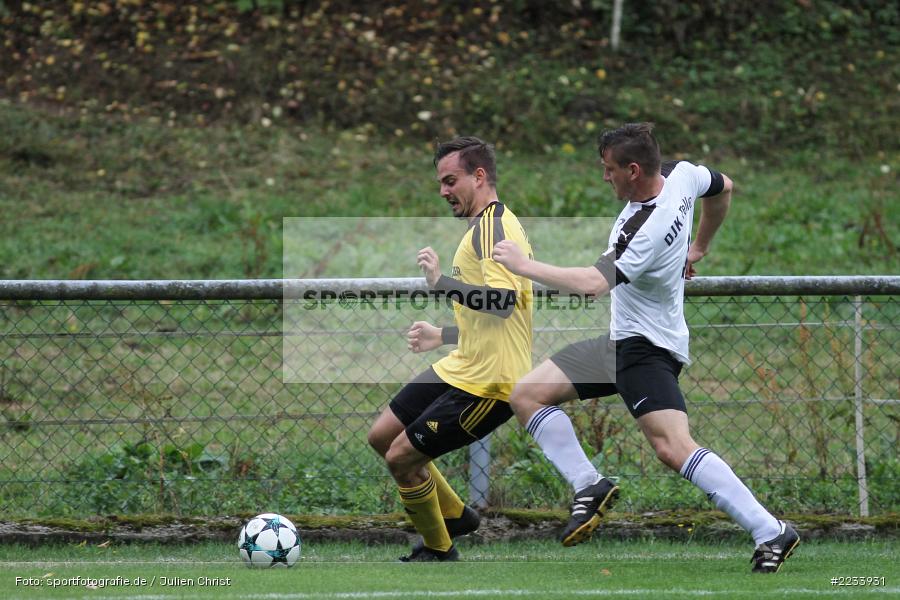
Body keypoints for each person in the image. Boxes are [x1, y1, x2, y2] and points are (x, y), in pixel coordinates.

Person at [492, 123, 799, 574]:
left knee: (674, 447)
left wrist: (523, 265)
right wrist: (699, 247)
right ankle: (589, 486)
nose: (605, 178)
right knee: (527, 393)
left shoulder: (643, 229)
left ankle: (770, 529)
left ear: (633, 170)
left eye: (609, 169)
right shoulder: (683, 175)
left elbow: (592, 285)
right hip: (623, 342)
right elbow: (725, 188)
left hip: (645, 347)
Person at [367, 136, 534, 562]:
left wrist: (442, 282)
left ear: (479, 177)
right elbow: (494, 315)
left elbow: (502, 303)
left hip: (490, 384)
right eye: (441, 182)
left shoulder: (494, 229)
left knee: (402, 458)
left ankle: (439, 549)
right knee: (382, 436)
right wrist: (444, 335)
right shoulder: (482, 227)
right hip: (464, 364)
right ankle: (457, 515)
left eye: (450, 180)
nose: (443, 191)